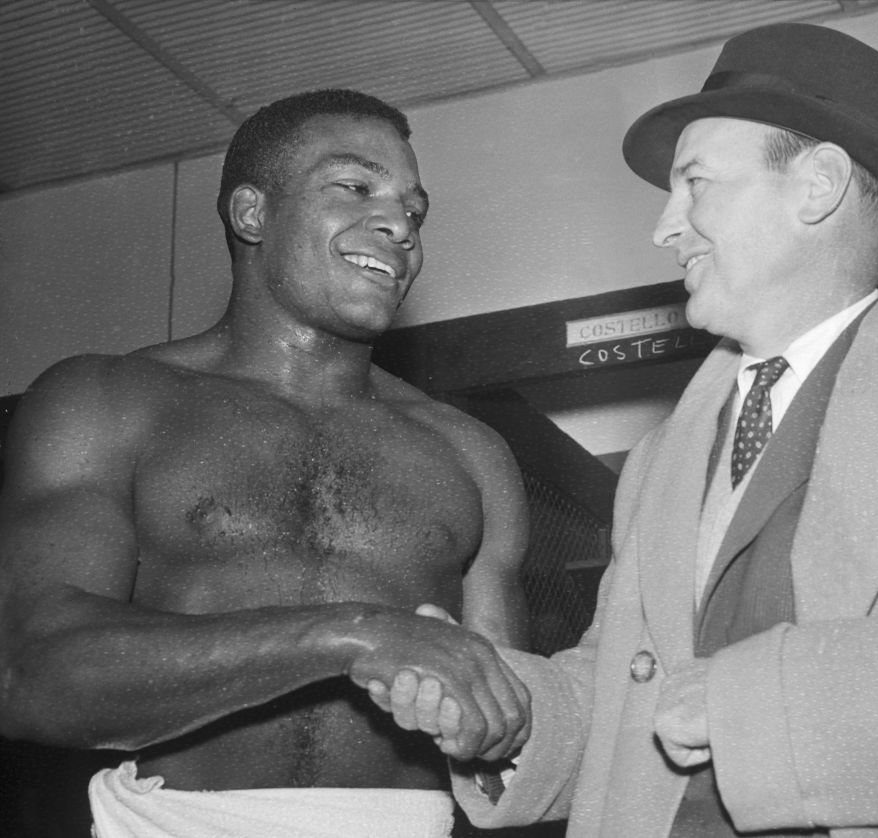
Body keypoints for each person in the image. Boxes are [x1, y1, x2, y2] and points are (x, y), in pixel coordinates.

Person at [376, 22, 878, 836]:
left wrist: (751, 705)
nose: (665, 226)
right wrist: (501, 709)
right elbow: (624, 692)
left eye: (696, 182)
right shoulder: (659, 456)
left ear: (817, 185)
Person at [0, 89, 532, 838]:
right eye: (356, 188)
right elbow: (32, 671)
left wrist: (493, 729)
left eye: (415, 211)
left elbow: (505, 729)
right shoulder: (106, 402)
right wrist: (352, 635)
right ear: (252, 214)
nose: (399, 226)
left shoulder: (470, 452)